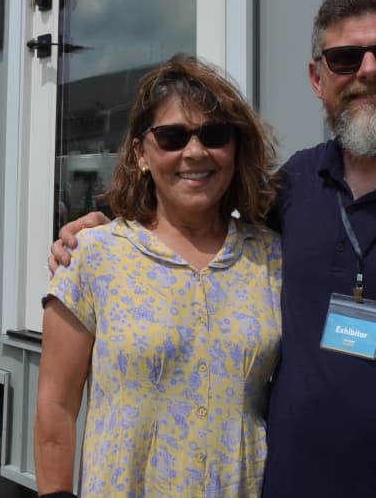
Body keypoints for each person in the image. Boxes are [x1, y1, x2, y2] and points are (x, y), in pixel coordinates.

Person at [52, 0, 376, 497]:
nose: (369, 71)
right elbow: (193, 208)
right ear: (317, 78)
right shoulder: (297, 186)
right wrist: (100, 224)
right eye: (345, 59)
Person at [34, 55, 283, 498]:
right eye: (171, 137)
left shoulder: (270, 255)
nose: (195, 152)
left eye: (215, 134)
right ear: (140, 154)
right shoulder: (93, 257)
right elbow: (56, 407)